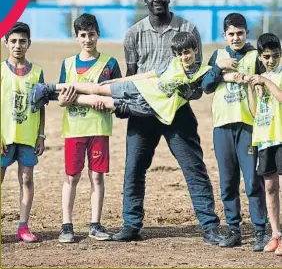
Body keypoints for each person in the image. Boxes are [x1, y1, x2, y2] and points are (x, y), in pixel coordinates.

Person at [110, 0, 223, 244]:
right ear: (145, 0)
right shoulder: (133, 34)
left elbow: (196, 74)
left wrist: (186, 94)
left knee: (194, 168)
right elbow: (132, 75)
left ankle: (209, 226)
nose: (157, 0)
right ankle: (131, 224)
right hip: (144, 111)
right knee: (134, 169)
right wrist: (126, 106)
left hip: (177, 112)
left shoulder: (188, 29)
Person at [31, 32, 211, 126]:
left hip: (147, 107)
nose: (183, 57)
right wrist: (118, 81)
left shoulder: (203, 72)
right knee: (98, 88)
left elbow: (216, 79)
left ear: (195, 50)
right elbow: (146, 75)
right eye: (179, 53)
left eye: (187, 52)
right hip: (140, 88)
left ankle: (52, 97)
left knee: (100, 101)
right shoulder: (172, 64)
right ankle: (48, 88)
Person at [201, 13, 268, 251]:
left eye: (240, 33)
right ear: (224, 36)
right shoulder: (218, 56)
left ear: (247, 33)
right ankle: (233, 229)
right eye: (231, 34)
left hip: (248, 127)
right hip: (222, 127)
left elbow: (265, 83)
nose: (236, 37)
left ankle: (261, 230)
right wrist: (219, 68)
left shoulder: (254, 56)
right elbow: (206, 86)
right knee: (228, 181)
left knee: (252, 180)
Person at [56, 13, 122, 243]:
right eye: (83, 35)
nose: (87, 39)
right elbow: (61, 99)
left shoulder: (110, 64)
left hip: (98, 129)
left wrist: (108, 104)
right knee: (71, 177)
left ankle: (95, 224)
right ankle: (67, 226)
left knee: (96, 177)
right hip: (74, 129)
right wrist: (67, 100)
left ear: (98, 35)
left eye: (91, 34)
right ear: (76, 37)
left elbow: (119, 97)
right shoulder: (68, 64)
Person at [1, 22, 46, 243]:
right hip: (4, 137)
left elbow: (41, 106)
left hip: (28, 136)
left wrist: (41, 135)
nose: (18, 45)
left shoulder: (37, 73)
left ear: (29, 44)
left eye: (22, 41)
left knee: (26, 180)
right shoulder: (0, 71)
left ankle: (23, 225)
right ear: (6, 42)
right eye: (14, 41)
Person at [247, 33, 282, 256]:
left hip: (281, 137)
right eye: (267, 56)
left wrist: (266, 82)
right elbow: (254, 112)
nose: (271, 60)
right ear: (260, 56)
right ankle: (276, 234)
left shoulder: (276, 77)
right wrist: (252, 87)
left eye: (276, 56)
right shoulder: (261, 78)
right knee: (269, 187)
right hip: (265, 139)